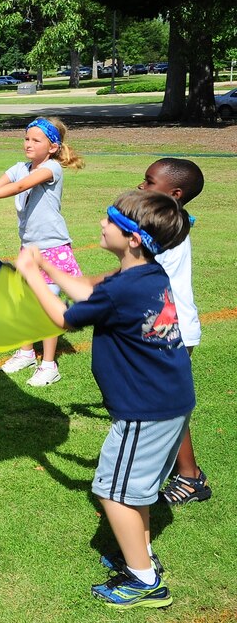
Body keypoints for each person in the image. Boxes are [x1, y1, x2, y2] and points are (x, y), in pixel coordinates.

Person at [15, 189, 193, 609]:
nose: (101, 224)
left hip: (144, 409)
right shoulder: (146, 274)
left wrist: (31, 277)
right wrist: (44, 265)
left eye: (110, 221)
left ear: (132, 239)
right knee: (132, 489)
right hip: (167, 400)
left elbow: (61, 317)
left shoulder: (122, 288)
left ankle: (144, 581)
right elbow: (83, 292)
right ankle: (140, 555)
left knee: (113, 490)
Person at [0, 116, 84, 386]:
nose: (28, 143)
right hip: (29, 247)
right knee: (23, 300)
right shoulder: (20, 167)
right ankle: (26, 352)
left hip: (52, 249)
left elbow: (19, 187)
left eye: (36, 140)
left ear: (52, 147)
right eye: (27, 138)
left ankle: (49, 365)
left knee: (46, 308)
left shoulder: (51, 169)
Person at [138, 158, 211, 505]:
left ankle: (190, 477)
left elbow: (136, 279)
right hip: (168, 326)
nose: (142, 186)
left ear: (174, 193)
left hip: (172, 330)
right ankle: (182, 470)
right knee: (163, 403)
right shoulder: (167, 226)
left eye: (149, 182)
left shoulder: (167, 234)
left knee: (168, 407)